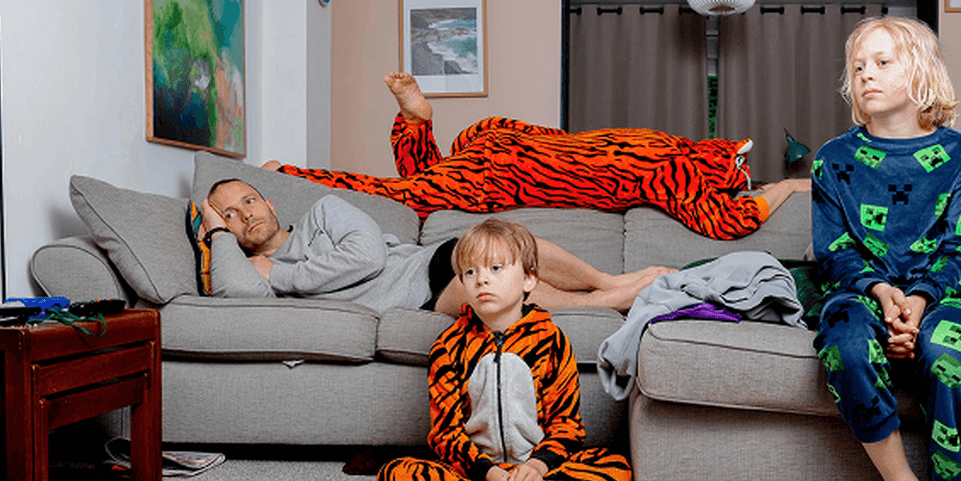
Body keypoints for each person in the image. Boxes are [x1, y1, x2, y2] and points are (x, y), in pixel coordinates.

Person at [810, 16, 961, 481]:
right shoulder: (833, 160)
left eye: (883, 63)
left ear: (922, 72)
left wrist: (917, 298)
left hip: (942, 293)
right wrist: (882, 294)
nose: (868, 75)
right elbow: (833, 253)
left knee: (948, 359)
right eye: (859, 66)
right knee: (846, 341)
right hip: (859, 293)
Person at [262, 72, 810, 241]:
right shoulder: (676, 174)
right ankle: (284, 176)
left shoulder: (667, 144)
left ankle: (417, 122)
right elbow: (729, 220)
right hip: (513, 173)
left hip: (504, 139)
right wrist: (789, 188)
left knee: (426, 186)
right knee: (403, 197)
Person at [374, 218, 632, 481]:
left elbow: (566, 427)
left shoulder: (551, 340)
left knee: (615, 467)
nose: (481, 279)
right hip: (476, 474)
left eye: (495, 269)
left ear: (528, 279)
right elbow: (445, 435)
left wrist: (536, 468)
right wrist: (491, 475)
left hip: (538, 472)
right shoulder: (448, 348)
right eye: (470, 272)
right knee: (394, 479)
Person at [198, 178, 668, 314]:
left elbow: (368, 256)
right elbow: (232, 295)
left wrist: (280, 273)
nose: (247, 214)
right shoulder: (252, 272)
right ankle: (611, 299)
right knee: (491, 294)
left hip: (425, 266)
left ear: (270, 202)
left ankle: (610, 285)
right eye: (232, 214)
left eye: (250, 200)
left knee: (498, 245)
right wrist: (215, 231)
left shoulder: (322, 213)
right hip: (422, 301)